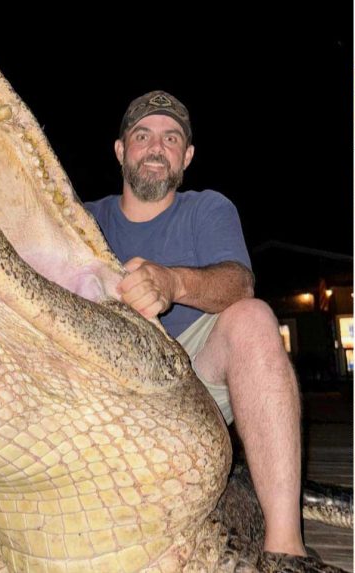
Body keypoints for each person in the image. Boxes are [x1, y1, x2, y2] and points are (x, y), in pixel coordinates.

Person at [85, 90, 306, 557]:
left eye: (170, 138)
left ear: (185, 157)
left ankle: (286, 548)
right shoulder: (82, 220)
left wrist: (172, 282)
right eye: (142, 135)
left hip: (191, 376)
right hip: (103, 385)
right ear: (121, 150)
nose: (155, 147)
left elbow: (239, 283)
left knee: (253, 316)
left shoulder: (208, 208)